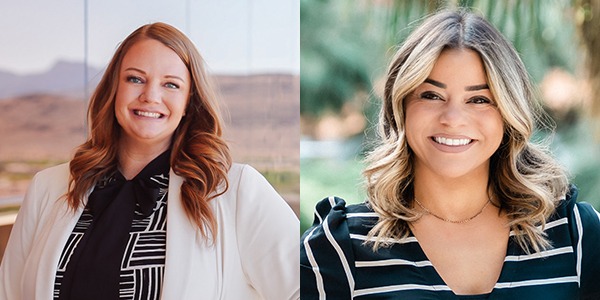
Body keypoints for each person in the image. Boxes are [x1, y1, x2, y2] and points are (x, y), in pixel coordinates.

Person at [300, 9, 600, 299]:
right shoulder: (339, 248)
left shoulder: (576, 236)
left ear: (508, 113)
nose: (453, 117)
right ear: (401, 105)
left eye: (479, 99)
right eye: (431, 95)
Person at [0, 22, 299, 300]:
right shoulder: (48, 188)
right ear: (114, 89)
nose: (150, 96)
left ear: (188, 103)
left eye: (171, 84)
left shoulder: (234, 191)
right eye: (135, 79)